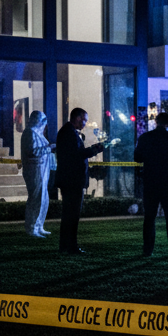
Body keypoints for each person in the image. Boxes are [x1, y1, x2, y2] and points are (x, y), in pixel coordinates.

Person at [134, 111, 168, 258]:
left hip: (150, 181)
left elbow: (137, 158)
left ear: (156, 122)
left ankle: (147, 250)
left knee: (149, 217)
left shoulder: (145, 138)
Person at [55, 107, 105, 254]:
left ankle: (67, 246)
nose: (85, 123)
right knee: (72, 215)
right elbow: (77, 154)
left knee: (70, 215)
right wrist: (95, 149)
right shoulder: (69, 133)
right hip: (72, 181)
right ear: (77, 118)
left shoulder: (67, 132)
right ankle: (70, 246)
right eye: (84, 120)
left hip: (70, 180)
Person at [20, 110, 53, 238]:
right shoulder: (30, 133)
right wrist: (50, 148)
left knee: (43, 199)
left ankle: (39, 225)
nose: (44, 124)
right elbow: (33, 151)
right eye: (42, 121)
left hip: (42, 171)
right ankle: (32, 227)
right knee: (36, 199)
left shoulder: (38, 134)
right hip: (35, 171)